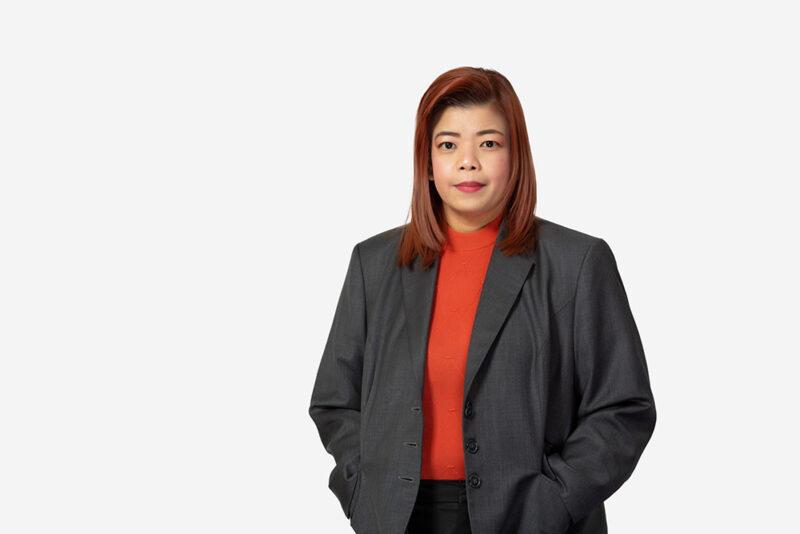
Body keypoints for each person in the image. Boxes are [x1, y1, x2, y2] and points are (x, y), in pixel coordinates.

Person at [309, 66, 656, 534]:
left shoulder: (577, 263)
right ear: (427, 162)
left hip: (529, 518)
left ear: (516, 155)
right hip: (400, 519)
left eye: (489, 143)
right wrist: (361, 490)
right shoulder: (374, 264)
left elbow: (623, 408)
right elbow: (334, 401)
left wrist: (555, 501)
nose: (467, 162)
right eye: (448, 145)